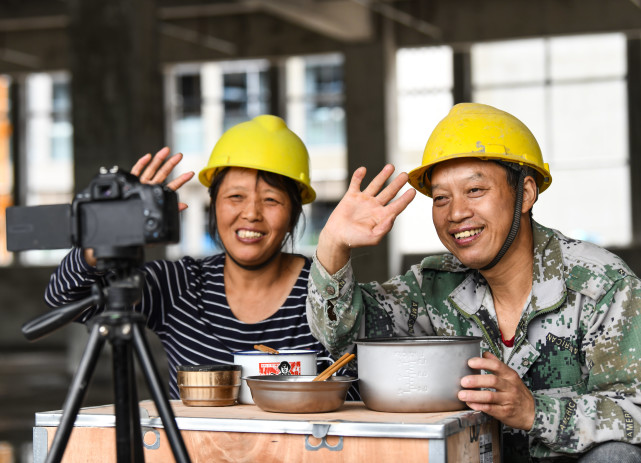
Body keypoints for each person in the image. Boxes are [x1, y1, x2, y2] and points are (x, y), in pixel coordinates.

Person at [306, 103, 641, 462]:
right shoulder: (432, 286)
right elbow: (344, 337)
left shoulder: (601, 285)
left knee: (615, 455)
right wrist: (332, 245)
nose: (456, 213)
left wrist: (534, 411)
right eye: (441, 198)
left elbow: (634, 410)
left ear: (525, 194)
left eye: (475, 190)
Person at [45, 114, 357, 401]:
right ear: (213, 205)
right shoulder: (181, 283)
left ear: (293, 214)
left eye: (271, 200)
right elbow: (63, 300)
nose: (251, 213)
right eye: (235, 197)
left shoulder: (328, 293)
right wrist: (108, 232)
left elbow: (354, 394)